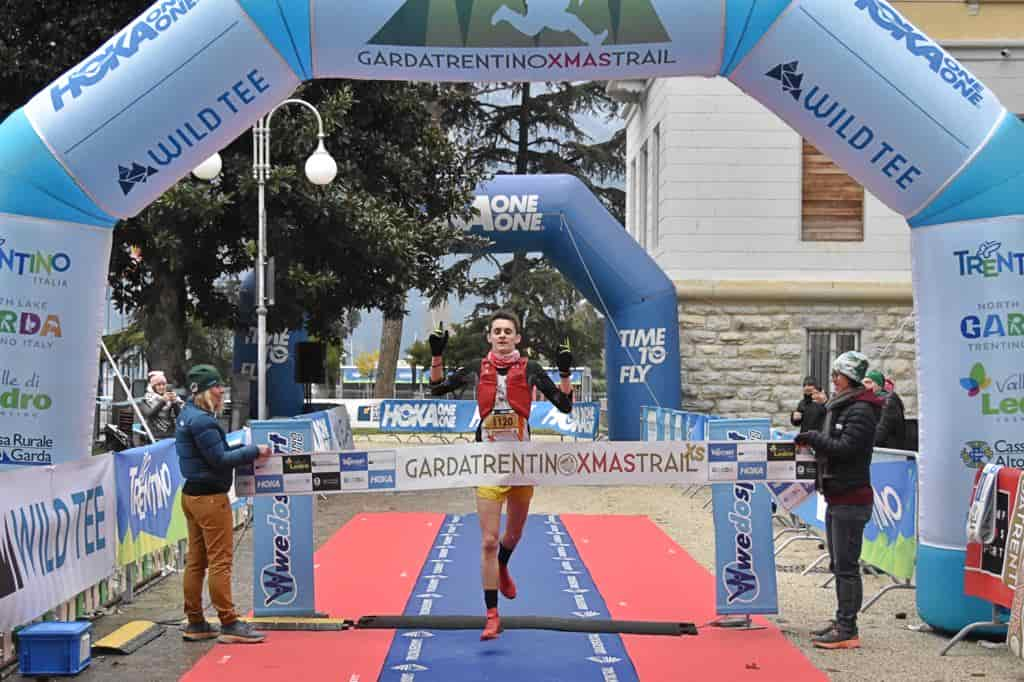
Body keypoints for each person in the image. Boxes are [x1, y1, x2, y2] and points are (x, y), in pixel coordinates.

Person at [429, 311, 574, 640]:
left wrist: (565, 373)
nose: (503, 336)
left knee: (513, 536)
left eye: (509, 331)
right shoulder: (475, 370)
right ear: (489, 337)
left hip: (522, 462)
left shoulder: (531, 369)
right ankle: (492, 615)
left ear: (517, 338)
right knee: (488, 541)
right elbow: (436, 389)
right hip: (488, 461)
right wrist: (437, 356)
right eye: (498, 331)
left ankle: (504, 565)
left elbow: (565, 406)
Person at [794, 351, 883, 650]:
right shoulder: (842, 405)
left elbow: (846, 449)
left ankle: (848, 629)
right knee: (838, 563)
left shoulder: (861, 409)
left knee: (846, 566)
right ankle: (842, 619)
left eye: (837, 376)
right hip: (838, 494)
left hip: (851, 496)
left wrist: (813, 439)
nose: (832, 380)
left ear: (850, 379)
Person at [175, 364, 270, 644]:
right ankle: (228, 622)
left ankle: (195, 622)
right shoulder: (203, 421)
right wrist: (255, 451)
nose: (221, 391)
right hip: (210, 499)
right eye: (216, 386)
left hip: (191, 495)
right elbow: (220, 459)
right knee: (220, 561)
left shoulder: (187, 416)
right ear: (203, 390)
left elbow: (214, 454)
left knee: (196, 562)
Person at [864, 369, 907, 450]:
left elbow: (880, 434)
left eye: (868, 382)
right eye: (863, 383)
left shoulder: (889, 401)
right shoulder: (870, 401)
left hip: (890, 453)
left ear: (879, 385)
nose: (864, 386)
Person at [140, 370, 183, 440]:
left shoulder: (170, 397)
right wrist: (162, 401)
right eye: (158, 385)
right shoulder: (145, 400)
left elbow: (180, 415)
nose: (162, 387)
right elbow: (149, 414)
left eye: (163, 384)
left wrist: (175, 402)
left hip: (170, 435)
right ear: (153, 386)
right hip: (153, 435)